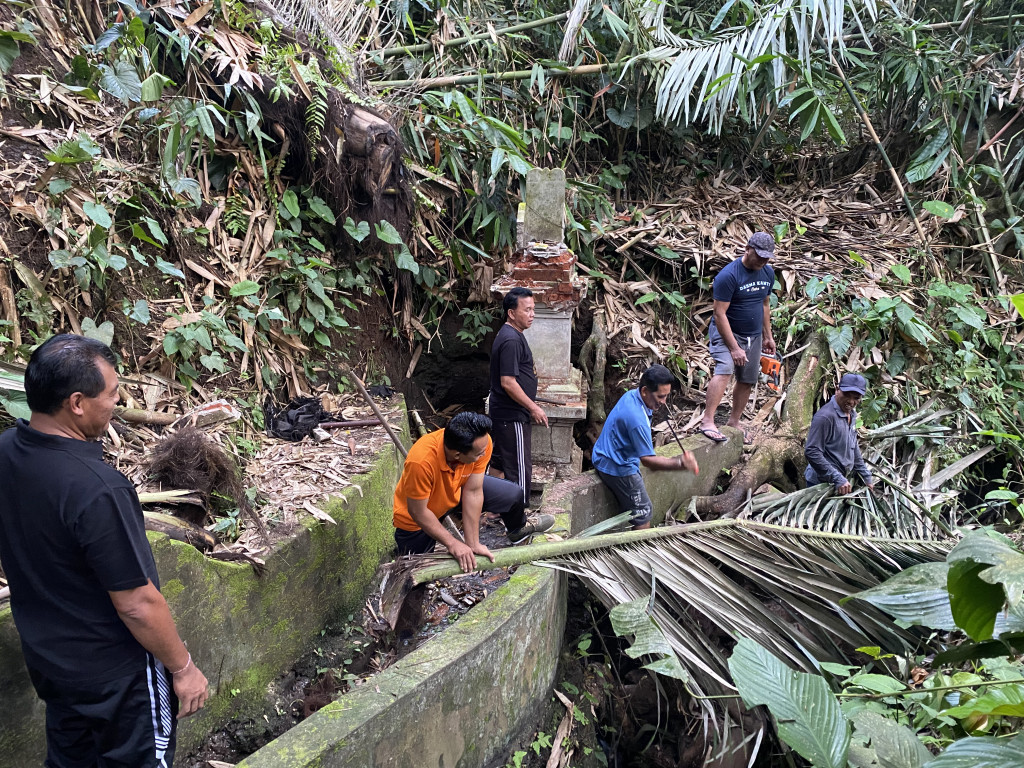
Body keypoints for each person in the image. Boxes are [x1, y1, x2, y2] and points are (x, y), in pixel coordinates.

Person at [0, 334, 208, 768]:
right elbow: (136, 603)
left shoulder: (6, 453)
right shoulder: (98, 490)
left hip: (52, 663)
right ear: (77, 402)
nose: (117, 403)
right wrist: (184, 668)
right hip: (118, 678)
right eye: (112, 394)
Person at [393, 411, 554, 571]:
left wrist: (473, 543)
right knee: (414, 574)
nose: (485, 453)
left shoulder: (482, 444)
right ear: (457, 454)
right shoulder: (421, 462)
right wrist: (453, 543)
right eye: (479, 454)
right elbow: (418, 512)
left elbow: (474, 491)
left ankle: (517, 531)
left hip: (456, 492)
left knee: (512, 494)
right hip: (418, 515)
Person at [592, 365, 699, 530]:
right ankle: (636, 553)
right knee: (643, 514)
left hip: (603, 454)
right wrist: (680, 464)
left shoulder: (631, 396)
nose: (663, 402)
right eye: (660, 396)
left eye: (666, 396)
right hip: (617, 466)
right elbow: (648, 460)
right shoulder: (637, 420)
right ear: (644, 391)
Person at [700, 232, 777, 445]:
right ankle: (708, 421)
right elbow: (719, 313)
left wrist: (768, 336)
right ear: (747, 248)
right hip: (727, 332)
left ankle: (734, 422)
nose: (763, 260)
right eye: (759, 255)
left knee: (747, 379)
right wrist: (734, 348)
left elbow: (765, 305)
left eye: (767, 257)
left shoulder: (768, 273)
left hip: (753, 335)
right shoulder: (729, 275)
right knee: (725, 369)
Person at [488, 286, 548, 506]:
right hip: (512, 414)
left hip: (504, 412)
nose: (532, 315)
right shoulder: (511, 340)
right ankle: (518, 517)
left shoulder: (512, 334)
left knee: (500, 462)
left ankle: (493, 508)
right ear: (511, 313)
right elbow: (508, 382)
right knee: (519, 468)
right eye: (527, 310)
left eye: (533, 309)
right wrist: (533, 407)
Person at [805, 372, 875, 495]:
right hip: (820, 484)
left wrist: (865, 475)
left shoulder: (852, 414)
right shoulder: (825, 417)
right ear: (837, 389)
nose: (851, 402)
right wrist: (837, 477)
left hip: (839, 481)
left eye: (856, 398)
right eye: (847, 395)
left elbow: (853, 446)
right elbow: (812, 451)